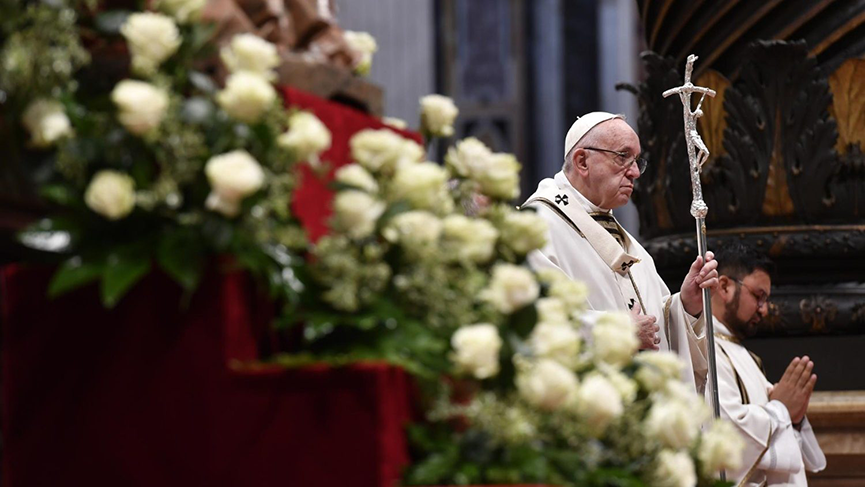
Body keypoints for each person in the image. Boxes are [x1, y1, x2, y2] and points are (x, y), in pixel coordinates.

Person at [522, 112, 717, 392]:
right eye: (622, 157)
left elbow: (654, 330)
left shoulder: (629, 245)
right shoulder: (537, 227)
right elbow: (535, 324)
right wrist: (618, 332)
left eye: (637, 160)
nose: (635, 172)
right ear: (582, 161)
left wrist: (685, 305)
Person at [710, 243, 825, 485]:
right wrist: (782, 409)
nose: (764, 309)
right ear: (724, 286)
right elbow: (726, 430)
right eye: (758, 296)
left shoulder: (747, 357)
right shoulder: (704, 349)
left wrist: (793, 417)